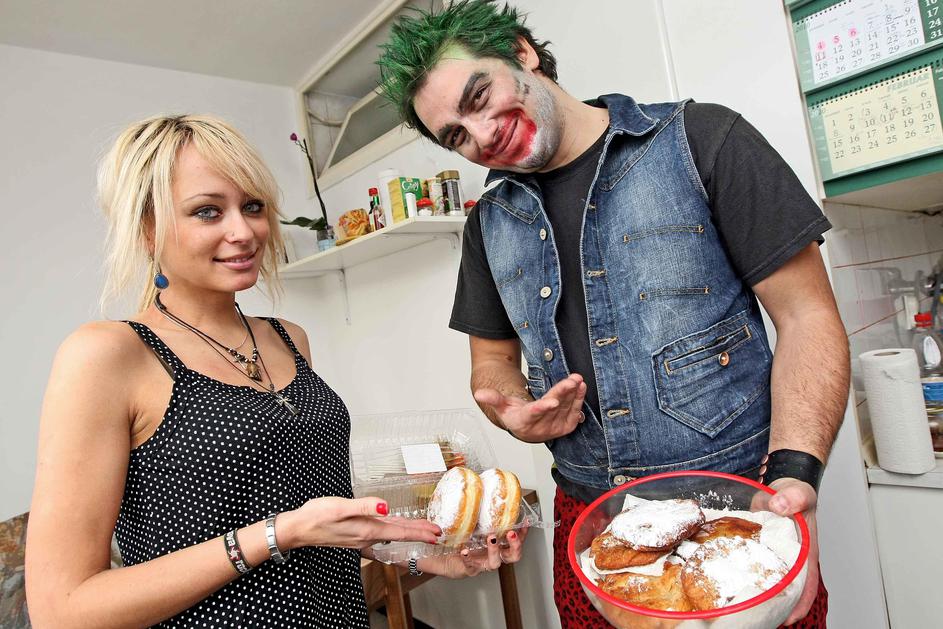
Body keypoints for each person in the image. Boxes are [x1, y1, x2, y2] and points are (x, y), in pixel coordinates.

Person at [377, 1, 849, 626]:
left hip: (737, 511)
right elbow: (491, 361)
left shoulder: (703, 139)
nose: (482, 134)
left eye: (479, 96)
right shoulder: (487, 224)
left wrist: (794, 478)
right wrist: (513, 410)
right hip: (588, 523)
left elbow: (808, 318)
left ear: (522, 53)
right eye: (457, 135)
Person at [25, 114, 525, 628]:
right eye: (207, 212)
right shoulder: (109, 355)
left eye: (253, 206)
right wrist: (278, 534)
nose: (243, 232)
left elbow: (317, 521)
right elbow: (61, 610)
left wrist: (421, 555)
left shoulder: (288, 338)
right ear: (148, 229)